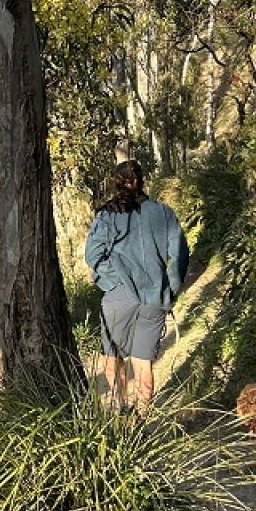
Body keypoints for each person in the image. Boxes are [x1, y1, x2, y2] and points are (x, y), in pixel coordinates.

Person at [83, 158, 190, 412]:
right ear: (142, 181)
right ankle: (141, 420)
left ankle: (120, 414)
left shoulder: (107, 215)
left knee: (113, 359)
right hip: (155, 297)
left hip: (119, 297)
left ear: (117, 184)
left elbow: (92, 255)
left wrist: (114, 282)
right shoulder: (164, 213)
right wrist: (170, 289)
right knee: (144, 364)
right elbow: (180, 255)